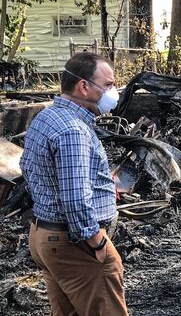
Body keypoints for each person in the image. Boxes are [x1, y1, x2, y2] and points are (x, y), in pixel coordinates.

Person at [20, 52, 128, 316]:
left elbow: (27, 167)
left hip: (44, 235)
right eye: (109, 85)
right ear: (83, 86)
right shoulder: (73, 131)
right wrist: (97, 243)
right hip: (74, 243)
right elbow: (76, 198)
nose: (113, 92)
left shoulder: (48, 117)